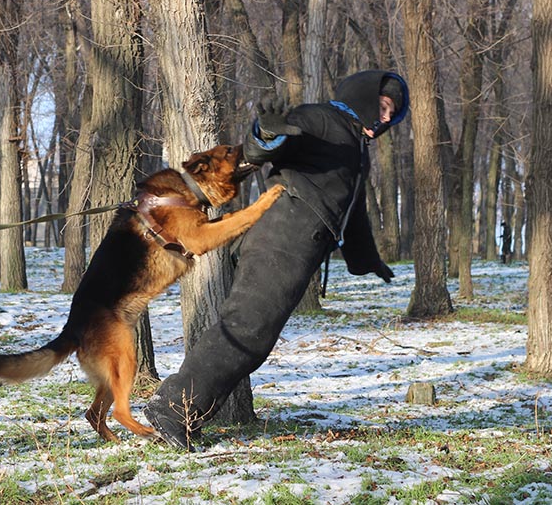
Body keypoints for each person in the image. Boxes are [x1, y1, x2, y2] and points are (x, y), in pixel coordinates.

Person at [144, 70, 410, 451]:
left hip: (294, 249)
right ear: (365, 97)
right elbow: (260, 151)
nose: (385, 118)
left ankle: (185, 413)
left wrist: (367, 261)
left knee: (252, 337)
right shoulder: (321, 119)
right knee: (246, 331)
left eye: (391, 114)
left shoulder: (356, 147)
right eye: (383, 107)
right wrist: (265, 134)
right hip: (278, 240)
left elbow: (354, 214)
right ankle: (173, 408)